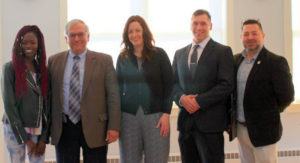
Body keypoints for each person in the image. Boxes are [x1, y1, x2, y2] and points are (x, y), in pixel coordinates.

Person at [48, 19, 121, 163]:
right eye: (72, 35)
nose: (76, 39)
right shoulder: (54, 61)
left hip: (96, 126)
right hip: (64, 127)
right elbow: (49, 97)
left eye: (80, 34)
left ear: (88, 36)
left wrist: (114, 126)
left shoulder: (104, 61)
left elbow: (113, 95)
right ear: (66, 38)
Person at [172, 9, 234, 163]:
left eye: (203, 23)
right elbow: (172, 84)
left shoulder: (223, 51)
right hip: (186, 125)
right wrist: (181, 99)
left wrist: (198, 102)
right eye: (195, 23)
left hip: (211, 125)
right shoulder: (179, 54)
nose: (199, 27)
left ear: (210, 26)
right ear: (190, 25)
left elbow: (226, 85)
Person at [232, 19, 294, 163]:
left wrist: (267, 114)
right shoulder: (235, 61)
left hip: (265, 130)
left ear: (263, 35)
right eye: (246, 34)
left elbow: (287, 96)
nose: (250, 37)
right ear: (241, 37)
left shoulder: (275, 62)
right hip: (241, 129)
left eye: (255, 33)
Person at [116, 15, 174, 163]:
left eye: (137, 30)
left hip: (156, 117)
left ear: (144, 32)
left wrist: (166, 114)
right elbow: (117, 89)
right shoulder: (122, 58)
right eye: (130, 32)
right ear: (126, 35)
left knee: (157, 159)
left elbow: (169, 85)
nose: (134, 34)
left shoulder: (159, 54)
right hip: (128, 118)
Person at [1, 25, 50, 163]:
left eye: (33, 42)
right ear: (19, 44)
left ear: (39, 45)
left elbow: (47, 106)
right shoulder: (9, 69)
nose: (29, 45)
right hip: (14, 129)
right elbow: (10, 106)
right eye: (25, 42)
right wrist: (26, 140)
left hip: (37, 129)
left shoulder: (43, 71)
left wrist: (43, 139)